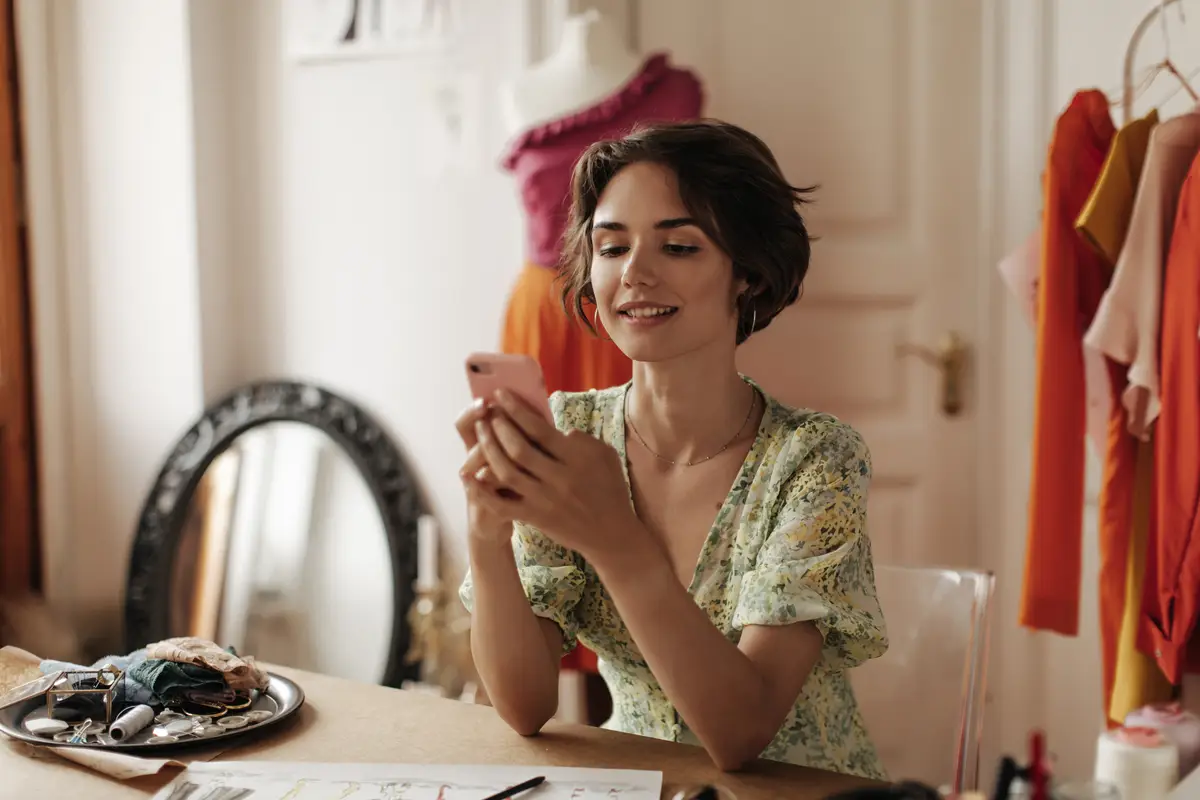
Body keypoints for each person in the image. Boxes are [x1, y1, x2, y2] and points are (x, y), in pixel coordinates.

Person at [456, 120, 888, 779]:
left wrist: (612, 536)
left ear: (746, 274)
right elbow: (523, 707)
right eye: (611, 247)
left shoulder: (816, 459)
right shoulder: (572, 433)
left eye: (679, 246)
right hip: (634, 787)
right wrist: (487, 537)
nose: (634, 273)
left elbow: (741, 733)